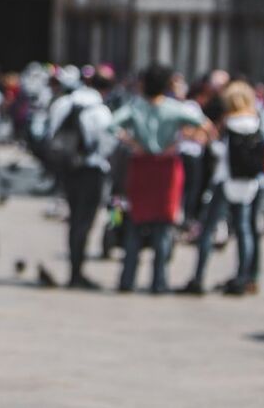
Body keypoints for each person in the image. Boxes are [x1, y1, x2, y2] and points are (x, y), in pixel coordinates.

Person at [111, 64, 211, 294]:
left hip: (141, 166)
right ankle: (159, 281)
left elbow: (110, 125)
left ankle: (127, 279)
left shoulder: (135, 107)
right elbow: (206, 126)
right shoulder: (176, 108)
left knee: (135, 224)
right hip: (167, 168)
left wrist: (133, 143)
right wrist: (178, 143)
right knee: (164, 227)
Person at [181, 81, 264, 296]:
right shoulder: (258, 122)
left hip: (224, 181)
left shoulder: (230, 124)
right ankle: (242, 278)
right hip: (248, 183)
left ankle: (198, 277)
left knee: (208, 229)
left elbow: (221, 152)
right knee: (244, 229)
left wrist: (211, 139)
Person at [45, 69, 114, 289]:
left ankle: (75, 269)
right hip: (91, 169)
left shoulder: (62, 103)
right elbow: (107, 144)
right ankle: (77, 273)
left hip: (67, 168)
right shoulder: (100, 111)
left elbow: (51, 134)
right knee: (84, 221)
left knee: (74, 219)